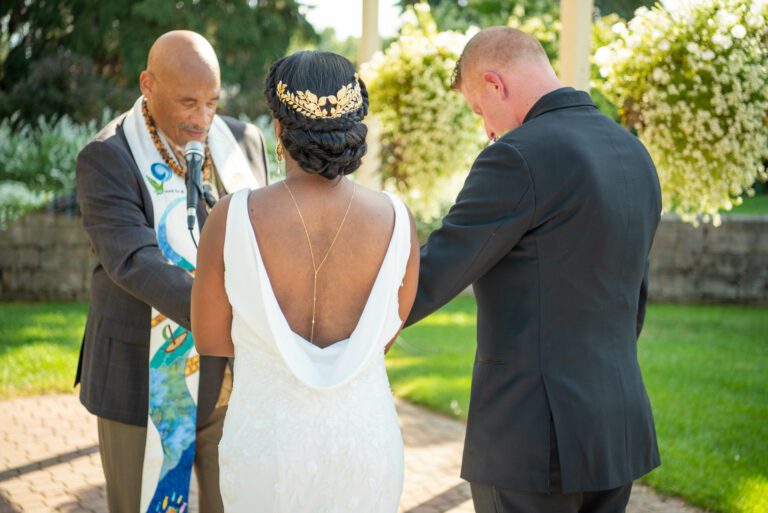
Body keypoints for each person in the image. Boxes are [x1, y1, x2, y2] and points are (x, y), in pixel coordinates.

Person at [404, 27, 662, 513]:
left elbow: (434, 273)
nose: (488, 130)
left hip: (531, 441)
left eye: (480, 111)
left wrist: (341, 321)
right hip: (616, 431)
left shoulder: (516, 157)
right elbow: (635, 301)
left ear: (495, 84)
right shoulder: (634, 154)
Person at [191, 50, 420, 513]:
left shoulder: (231, 216)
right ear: (357, 123)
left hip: (266, 444)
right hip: (365, 443)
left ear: (279, 129)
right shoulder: (396, 219)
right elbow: (385, 335)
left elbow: (211, 338)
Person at [74, 30, 268, 513]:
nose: (203, 119)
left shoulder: (244, 141)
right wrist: (231, 316)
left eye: (212, 102)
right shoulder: (107, 157)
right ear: (147, 84)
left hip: (235, 378)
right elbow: (135, 262)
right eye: (188, 103)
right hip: (143, 375)